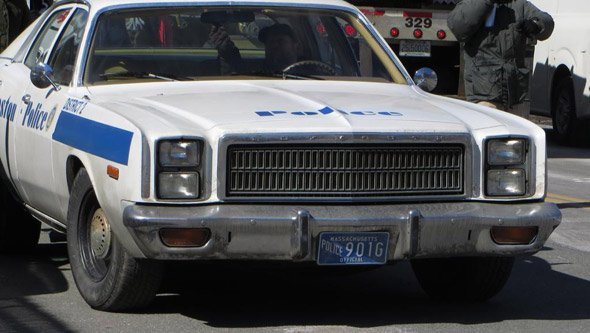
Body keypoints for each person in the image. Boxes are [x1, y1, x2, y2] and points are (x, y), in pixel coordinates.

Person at [448, 0, 554, 117]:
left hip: (516, 96)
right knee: (490, 132)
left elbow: (547, 20)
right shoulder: (473, 3)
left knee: (518, 135)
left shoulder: (518, 4)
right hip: (484, 95)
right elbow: (458, 27)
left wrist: (536, 24)